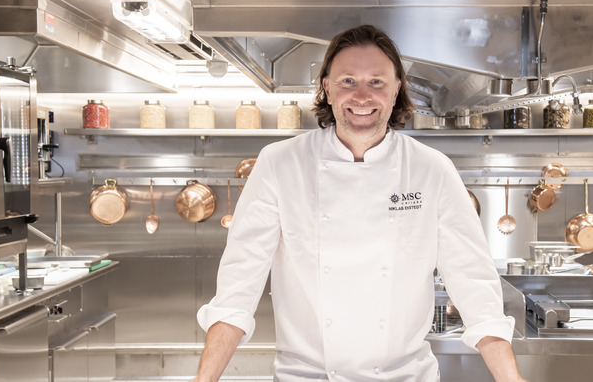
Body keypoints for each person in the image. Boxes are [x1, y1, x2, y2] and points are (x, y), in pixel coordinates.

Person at [194, 25, 527, 382]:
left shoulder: (432, 170)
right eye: (348, 81)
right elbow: (237, 288)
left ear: (397, 88)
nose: (362, 96)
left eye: (377, 82)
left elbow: (474, 284)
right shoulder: (279, 164)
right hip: (307, 376)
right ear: (327, 87)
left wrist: (510, 378)